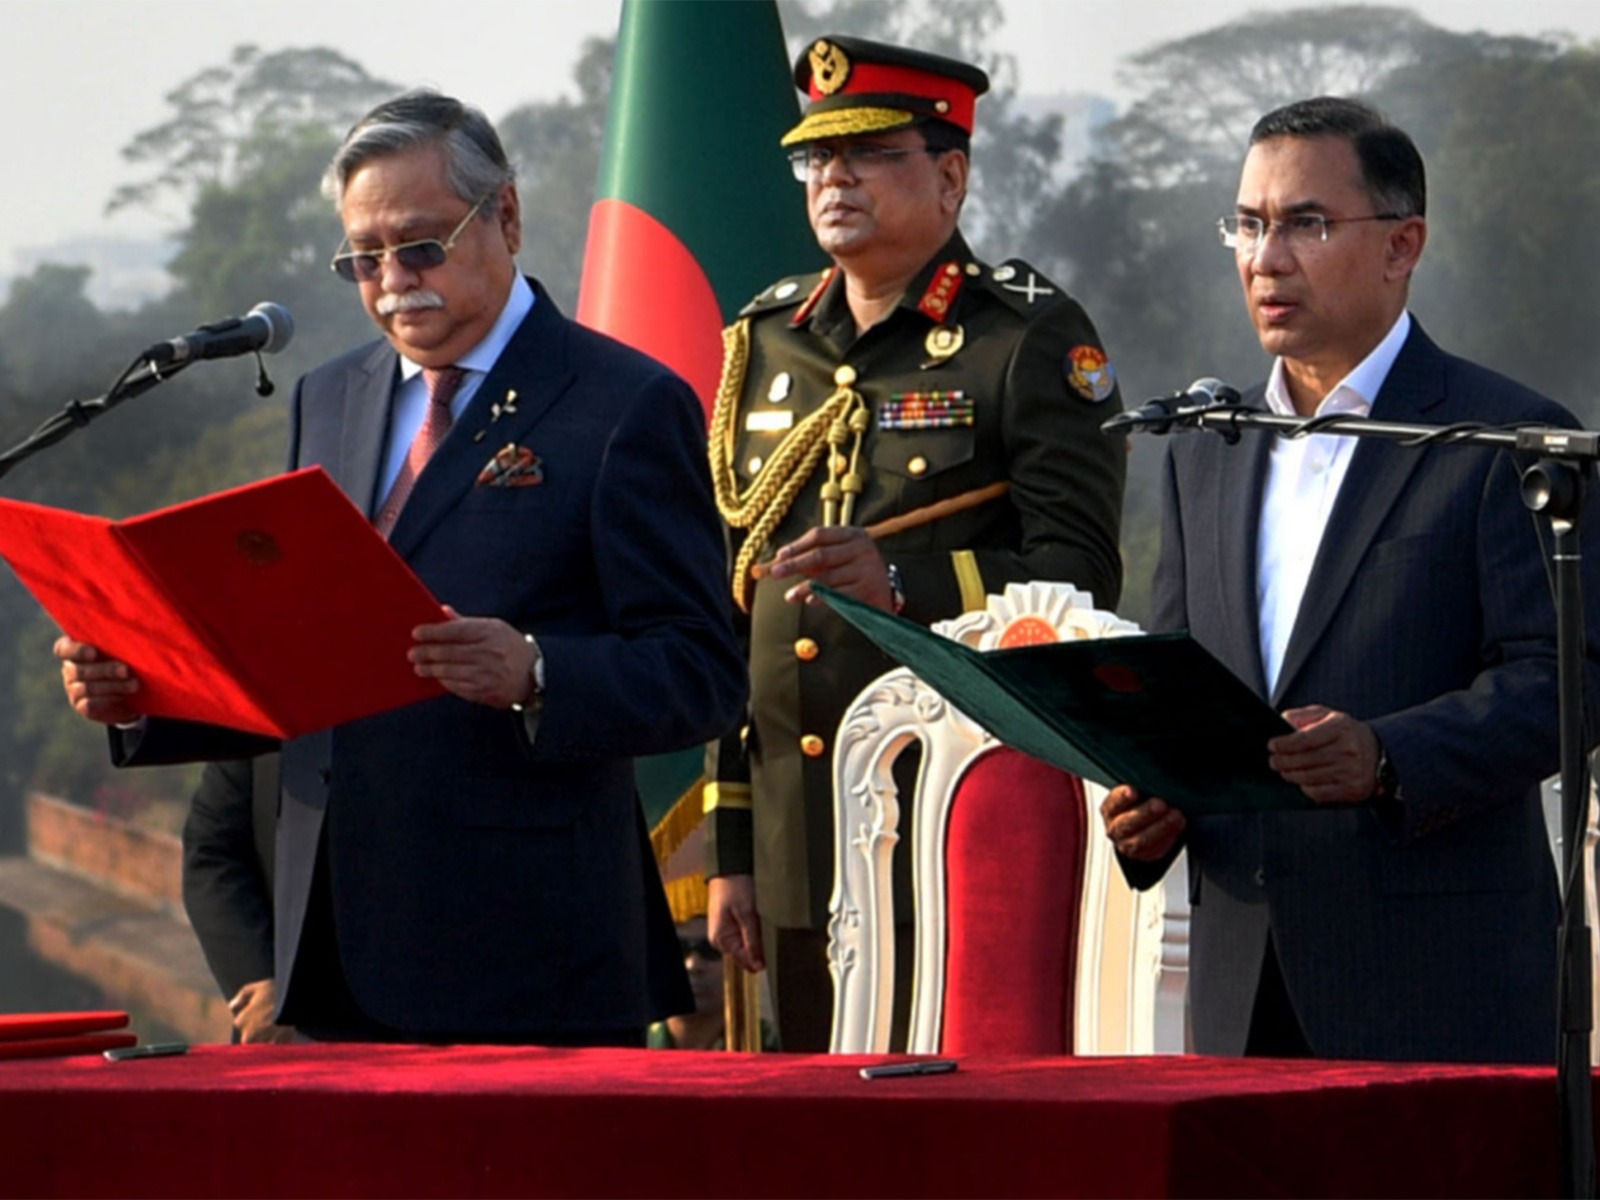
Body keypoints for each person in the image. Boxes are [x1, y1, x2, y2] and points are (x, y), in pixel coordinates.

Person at [56, 91, 746, 1045]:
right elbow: (302, 654)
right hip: (331, 939)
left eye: (419, 246)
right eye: (362, 260)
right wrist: (142, 694)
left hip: (525, 952)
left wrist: (539, 671)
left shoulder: (623, 404)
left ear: (504, 216)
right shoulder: (330, 395)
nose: (390, 283)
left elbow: (705, 673)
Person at [1101, 96, 1600, 1063]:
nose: (1266, 258)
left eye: (1306, 224)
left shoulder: (1497, 437)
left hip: (1436, 982)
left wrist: (1390, 755)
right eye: (1247, 225)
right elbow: (1187, 687)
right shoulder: (1206, 446)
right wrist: (1154, 803)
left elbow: (1567, 680)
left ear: (1402, 244)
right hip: (1242, 985)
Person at [705, 35, 1127, 1051]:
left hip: (949, 823)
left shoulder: (1022, 338)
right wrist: (731, 843)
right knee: (804, 1129)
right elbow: (732, 607)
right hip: (794, 833)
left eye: (868, 153)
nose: (833, 179)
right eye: (817, 158)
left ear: (949, 176)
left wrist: (904, 581)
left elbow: (1080, 579)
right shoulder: (763, 342)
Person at [182, 755, 293, 1043]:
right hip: (273, 1032)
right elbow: (212, 852)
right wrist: (259, 979)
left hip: (411, 1036)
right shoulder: (260, 722)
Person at [645, 917, 778, 1051]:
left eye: (710, 949)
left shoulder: (775, 1049)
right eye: (678, 948)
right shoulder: (632, 1045)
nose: (693, 965)